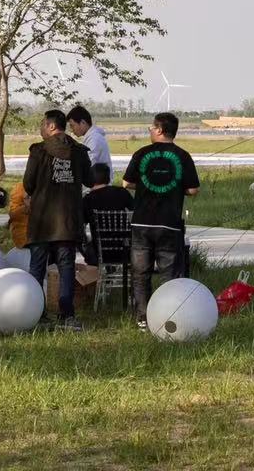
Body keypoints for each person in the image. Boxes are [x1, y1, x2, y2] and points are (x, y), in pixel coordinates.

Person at [123, 111, 200, 330]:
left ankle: (142, 318)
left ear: (159, 130)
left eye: (151, 128)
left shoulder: (141, 153)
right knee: (170, 275)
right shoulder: (183, 156)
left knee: (140, 273)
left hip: (141, 224)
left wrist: (145, 185)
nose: (149, 131)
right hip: (169, 224)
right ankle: (167, 315)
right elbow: (193, 189)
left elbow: (126, 183)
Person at [23, 109, 92, 331]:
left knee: (37, 268)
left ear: (51, 127)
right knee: (66, 267)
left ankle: (36, 313)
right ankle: (67, 315)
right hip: (68, 222)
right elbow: (90, 180)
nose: (41, 128)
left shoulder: (39, 151)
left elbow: (28, 184)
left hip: (42, 221)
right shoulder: (79, 152)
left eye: (43, 124)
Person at [81, 162, 134, 263]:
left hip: (100, 250)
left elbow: (81, 227)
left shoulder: (88, 200)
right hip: (124, 248)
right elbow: (134, 211)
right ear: (108, 177)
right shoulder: (121, 192)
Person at [68, 105, 112, 180]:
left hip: (98, 187)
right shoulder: (92, 137)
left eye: (72, 126)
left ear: (83, 122)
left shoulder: (94, 139)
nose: (72, 130)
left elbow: (87, 165)